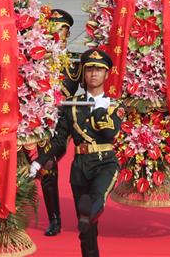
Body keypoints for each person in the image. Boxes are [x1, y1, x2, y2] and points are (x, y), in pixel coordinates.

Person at [32, 49, 121, 257]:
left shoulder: (113, 104)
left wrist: (100, 110)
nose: (94, 73)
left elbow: (110, 131)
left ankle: (88, 211)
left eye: (99, 69)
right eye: (89, 69)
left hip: (105, 163)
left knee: (96, 198)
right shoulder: (72, 105)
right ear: (83, 73)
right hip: (80, 167)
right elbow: (59, 140)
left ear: (107, 74)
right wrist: (40, 161)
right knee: (87, 232)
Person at [37, 9, 81, 237]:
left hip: (63, 122)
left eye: (60, 29)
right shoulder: (35, 60)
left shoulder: (77, 63)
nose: (55, 33)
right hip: (37, 119)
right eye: (51, 28)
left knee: (48, 161)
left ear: (67, 32)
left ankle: (55, 218)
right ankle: (54, 218)